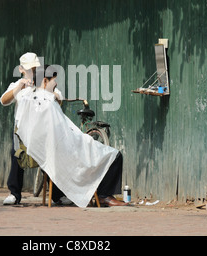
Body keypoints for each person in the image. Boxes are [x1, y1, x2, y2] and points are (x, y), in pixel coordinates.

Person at [14, 65, 127, 207]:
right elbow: (63, 131)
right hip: (66, 149)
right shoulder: (47, 103)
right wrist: (82, 139)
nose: (55, 84)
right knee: (114, 155)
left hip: (53, 150)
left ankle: (100, 193)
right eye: (53, 81)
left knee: (101, 152)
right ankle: (104, 196)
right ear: (44, 81)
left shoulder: (30, 99)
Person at [0, 52, 68, 205]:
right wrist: (20, 86)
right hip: (22, 133)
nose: (32, 72)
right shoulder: (17, 86)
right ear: (21, 69)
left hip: (43, 132)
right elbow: (4, 101)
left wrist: (45, 89)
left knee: (51, 157)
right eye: (29, 69)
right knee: (16, 154)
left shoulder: (45, 82)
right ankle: (14, 194)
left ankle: (57, 195)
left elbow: (59, 99)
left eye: (35, 68)